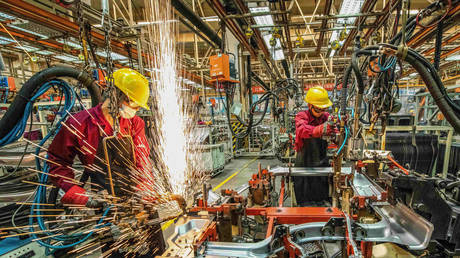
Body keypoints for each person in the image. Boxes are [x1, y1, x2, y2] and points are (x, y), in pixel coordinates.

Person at [47, 68, 165, 255]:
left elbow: (143, 160)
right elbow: (57, 163)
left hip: (137, 197)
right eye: (132, 102)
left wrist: (144, 188)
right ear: (114, 94)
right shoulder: (80, 124)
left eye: (137, 106)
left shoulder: (135, 124)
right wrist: (80, 195)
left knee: (154, 250)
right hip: (104, 201)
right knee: (117, 252)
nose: (134, 109)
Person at [293, 86, 336, 206]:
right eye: (318, 109)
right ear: (309, 106)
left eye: (323, 109)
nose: (321, 112)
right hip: (304, 162)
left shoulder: (326, 117)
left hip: (321, 161)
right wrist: (320, 129)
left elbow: (336, 129)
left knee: (321, 191)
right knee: (304, 192)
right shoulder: (302, 116)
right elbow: (302, 130)